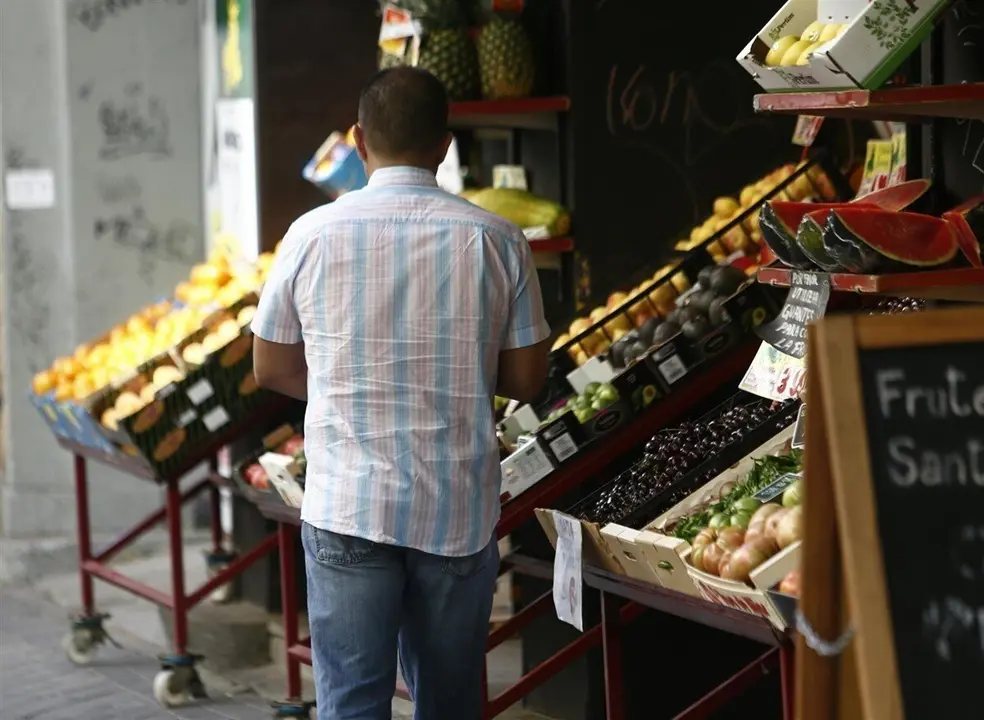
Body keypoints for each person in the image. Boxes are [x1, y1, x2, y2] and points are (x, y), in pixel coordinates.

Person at [250, 66, 551, 720]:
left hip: (347, 503)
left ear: (359, 140)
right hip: (454, 509)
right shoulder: (498, 239)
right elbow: (527, 380)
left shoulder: (310, 234)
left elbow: (269, 366)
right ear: (444, 145)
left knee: (352, 703)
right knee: (449, 703)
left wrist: (341, 385)